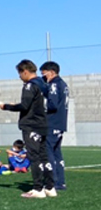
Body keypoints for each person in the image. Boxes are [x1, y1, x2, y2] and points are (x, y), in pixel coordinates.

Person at [0, 59, 56, 198]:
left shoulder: (30, 85)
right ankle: (50, 187)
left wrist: (6, 106)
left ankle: (38, 189)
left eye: (19, 74)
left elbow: (25, 106)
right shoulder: (43, 84)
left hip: (32, 125)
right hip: (42, 123)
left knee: (34, 157)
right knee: (44, 156)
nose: (19, 77)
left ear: (25, 71)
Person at [40, 61, 69, 190]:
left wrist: (41, 109)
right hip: (60, 123)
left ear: (51, 72)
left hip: (52, 122)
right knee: (57, 152)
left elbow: (52, 105)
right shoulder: (63, 84)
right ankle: (60, 182)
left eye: (44, 74)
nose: (43, 77)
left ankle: (52, 182)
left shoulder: (54, 84)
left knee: (48, 151)